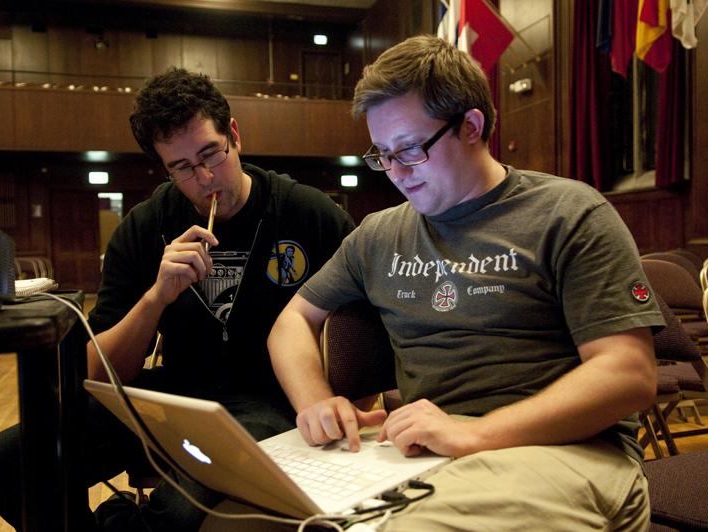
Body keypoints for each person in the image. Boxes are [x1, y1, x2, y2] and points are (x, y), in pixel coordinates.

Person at [268, 35, 663, 531]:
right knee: (239, 510)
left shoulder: (569, 212)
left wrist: (475, 435)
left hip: (565, 450)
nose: (395, 173)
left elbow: (628, 375)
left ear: (471, 126)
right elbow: (291, 321)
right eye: (382, 155)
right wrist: (314, 402)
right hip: (422, 451)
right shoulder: (379, 234)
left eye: (410, 149)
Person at [0, 67, 354, 531]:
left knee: (179, 511)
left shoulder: (306, 213)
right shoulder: (144, 224)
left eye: (211, 153)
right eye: (182, 168)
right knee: (5, 464)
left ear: (233, 134)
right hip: (170, 400)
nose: (204, 177)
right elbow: (97, 372)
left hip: (268, 405)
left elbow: (361, 322)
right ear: (164, 167)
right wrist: (156, 298)